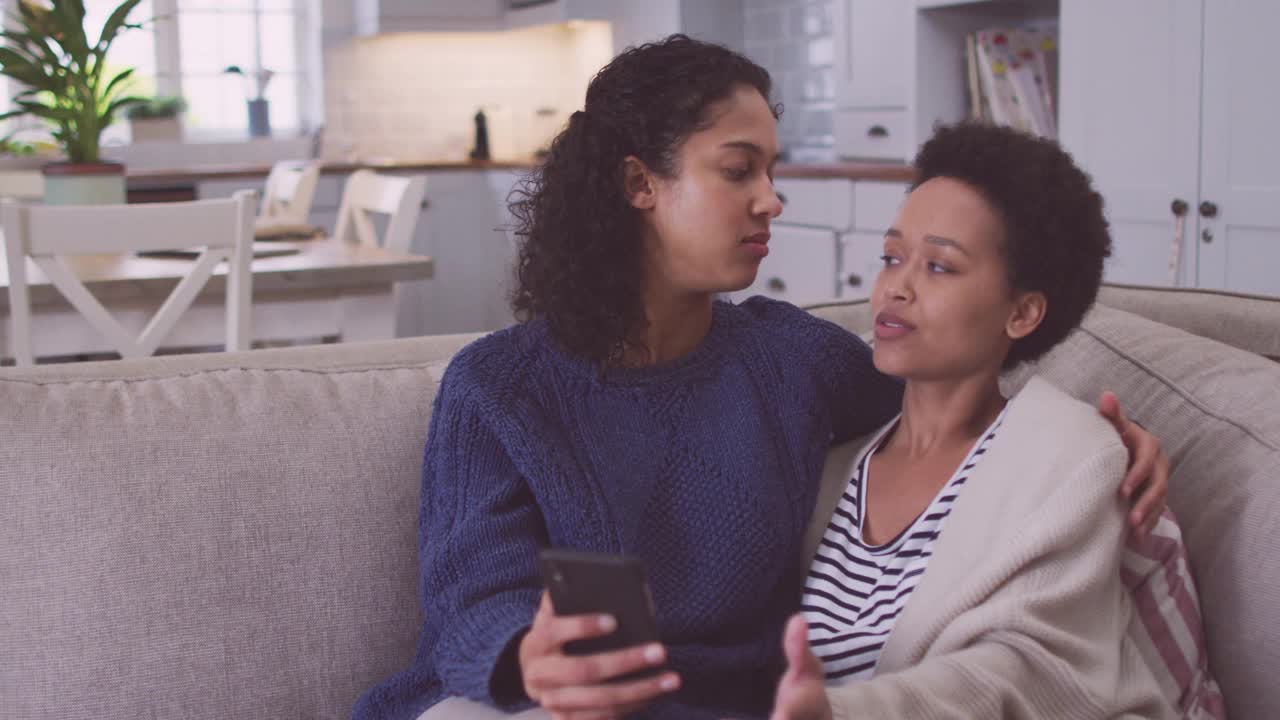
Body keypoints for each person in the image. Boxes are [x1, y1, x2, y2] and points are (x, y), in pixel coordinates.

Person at [352, 36, 1168, 720]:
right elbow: (468, 597)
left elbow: (953, 398)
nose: (772, 201)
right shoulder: (499, 387)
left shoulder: (794, 360)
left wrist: (1094, 442)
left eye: (772, 173)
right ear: (640, 184)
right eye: (739, 171)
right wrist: (528, 658)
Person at [769, 123, 1187, 720]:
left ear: (1021, 313)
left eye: (939, 267)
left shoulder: (1070, 453)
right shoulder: (832, 457)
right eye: (891, 257)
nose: (896, 288)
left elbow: (1023, 669)